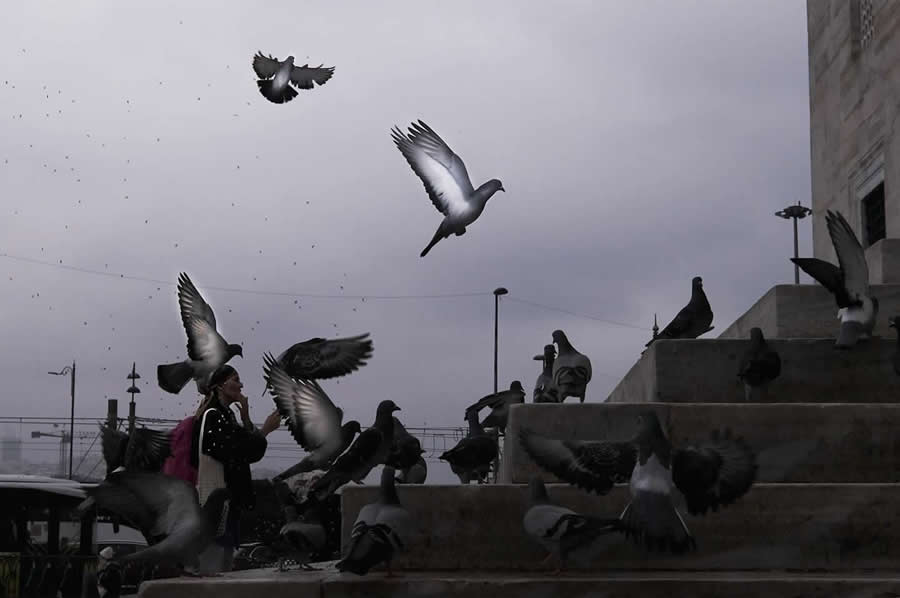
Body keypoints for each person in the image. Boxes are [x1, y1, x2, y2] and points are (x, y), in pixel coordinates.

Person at [191, 364, 281, 573]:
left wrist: (246, 418)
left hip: (228, 502)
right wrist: (264, 431)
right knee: (212, 568)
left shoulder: (225, 416)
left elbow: (247, 452)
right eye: (235, 379)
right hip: (216, 504)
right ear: (220, 385)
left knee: (223, 566)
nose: (241, 385)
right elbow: (237, 451)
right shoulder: (213, 416)